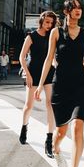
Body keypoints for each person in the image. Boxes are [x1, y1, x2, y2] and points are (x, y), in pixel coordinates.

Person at [34, 0, 84, 167]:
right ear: (66, 11)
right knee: (61, 132)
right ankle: (56, 149)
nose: (78, 11)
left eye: (79, 8)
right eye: (74, 8)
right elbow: (49, 59)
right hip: (61, 86)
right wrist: (40, 85)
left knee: (78, 127)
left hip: (80, 86)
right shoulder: (56, 33)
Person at [19, 11, 57, 157]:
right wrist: (27, 74)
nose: (49, 25)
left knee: (50, 105)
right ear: (41, 21)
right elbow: (22, 57)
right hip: (33, 73)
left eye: (51, 23)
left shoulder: (52, 37)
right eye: (47, 22)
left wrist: (59, 66)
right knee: (29, 106)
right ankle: (24, 127)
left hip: (49, 73)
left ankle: (49, 140)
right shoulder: (31, 36)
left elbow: (52, 58)